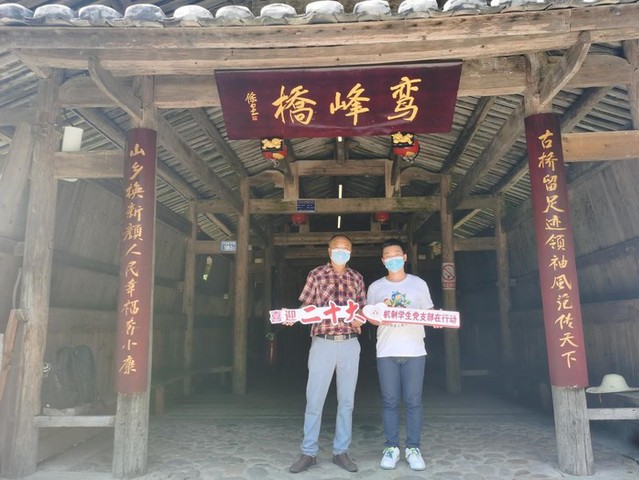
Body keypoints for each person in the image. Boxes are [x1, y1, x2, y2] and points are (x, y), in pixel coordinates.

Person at [288, 234, 366, 474]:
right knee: (314, 400)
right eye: (337, 249)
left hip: (350, 343)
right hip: (322, 343)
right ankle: (308, 452)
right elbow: (306, 305)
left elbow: (363, 310)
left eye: (346, 249)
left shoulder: (357, 277)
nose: (341, 252)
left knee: (347, 402)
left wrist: (360, 320)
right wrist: (295, 316)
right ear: (329, 251)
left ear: (351, 252)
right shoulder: (316, 274)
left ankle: (341, 451)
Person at [365, 239, 433, 471]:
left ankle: (413, 448)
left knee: (414, 401)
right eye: (388, 255)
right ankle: (391, 447)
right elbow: (370, 317)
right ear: (383, 260)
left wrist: (438, 320)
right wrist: (379, 316)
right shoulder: (376, 287)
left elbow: (429, 313)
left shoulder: (418, 284)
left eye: (396, 254)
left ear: (404, 257)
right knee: (390, 401)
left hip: (414, 350)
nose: (392, 258)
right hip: (386, 350)